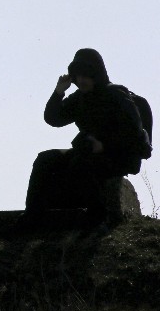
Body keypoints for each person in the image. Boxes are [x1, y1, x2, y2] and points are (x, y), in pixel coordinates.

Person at [23, 49, 150, 223]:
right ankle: (32, 215)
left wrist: (104, 145)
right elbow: (53, 118)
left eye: (86, 76)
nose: (81, 80)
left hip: (117, 155)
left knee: (81, 163)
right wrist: (59, 92)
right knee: (45, 159)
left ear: (96, 75)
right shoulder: (80, 98)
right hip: (88, 151)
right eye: (78, 76)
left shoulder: (116, 95)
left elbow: (133, 135)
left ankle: (97, 215)